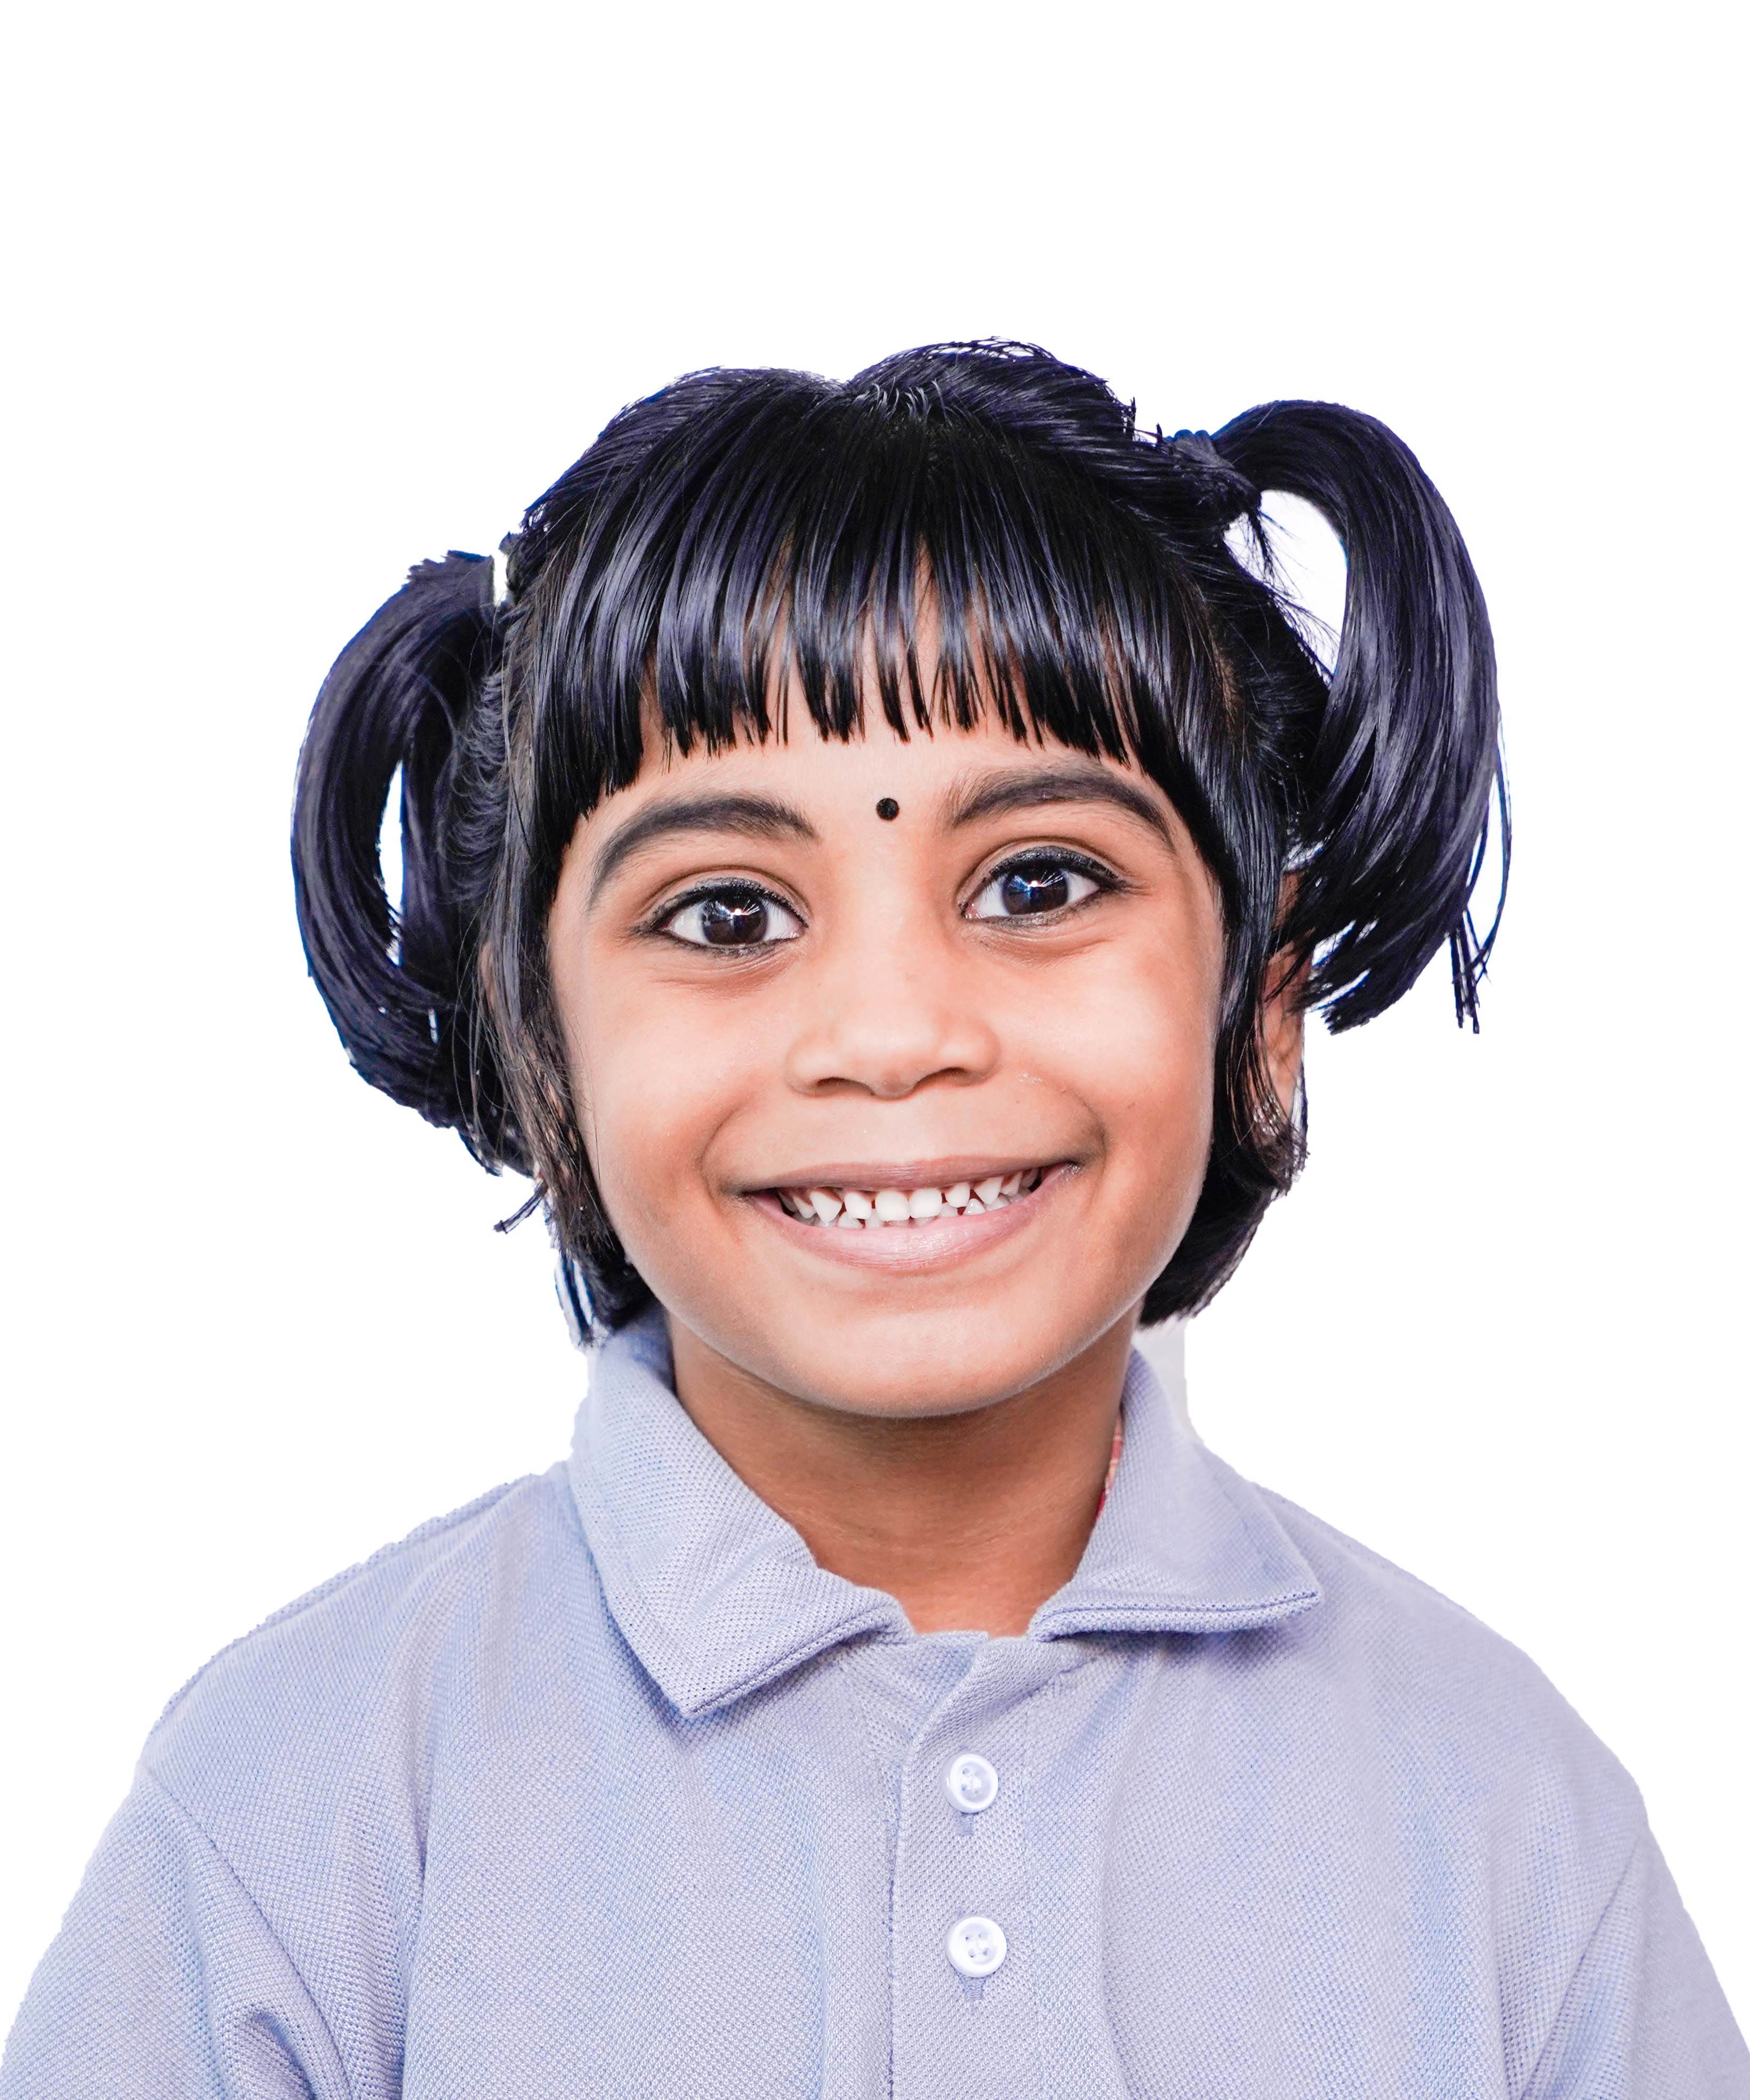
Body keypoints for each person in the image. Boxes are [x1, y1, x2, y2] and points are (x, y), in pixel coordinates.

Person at [5, 343, 1743, 2097]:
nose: (895, 1034)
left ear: (1264, 1001)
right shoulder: (300, 1817)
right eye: (728, 913)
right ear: (537, 1029)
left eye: (1040, 882)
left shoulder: (1506, 1825)